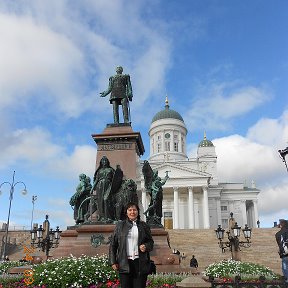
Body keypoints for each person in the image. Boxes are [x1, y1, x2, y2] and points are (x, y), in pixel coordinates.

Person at [109, 202, 154, 288]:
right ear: (126, 212)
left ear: (138, 211)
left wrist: (146, 246)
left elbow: (151, 242)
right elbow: (113, 244)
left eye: (134, 210)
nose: (132, 212)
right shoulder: (120, 226)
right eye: (130, 210)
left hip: (140, 263)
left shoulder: (143, 225)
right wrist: (113, 261)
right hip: (124, 262)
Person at [92, 156, 115, 222]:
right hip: (100, 186)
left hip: (108, 185)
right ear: (101, 162)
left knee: (107, 200)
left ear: (107, 162)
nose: (104, 162)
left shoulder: (110, 170)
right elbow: (96, 180)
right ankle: (102, 217)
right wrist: (92, 188)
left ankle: (109, 217)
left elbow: (115, 179)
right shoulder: (99, 170)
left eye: (105, 161)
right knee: (100, 201)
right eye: (103, 161)